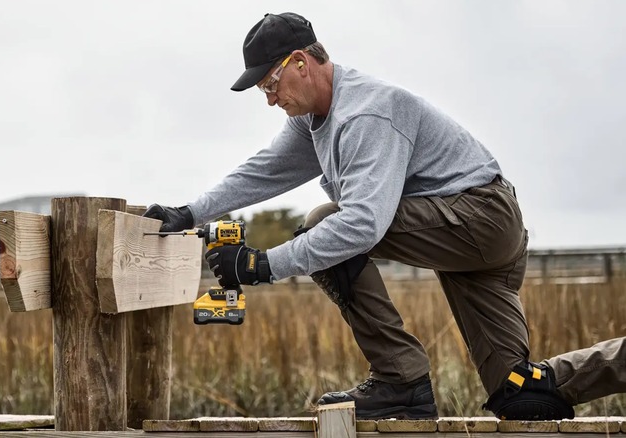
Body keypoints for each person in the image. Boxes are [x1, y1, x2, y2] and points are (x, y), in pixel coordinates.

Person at [143, 12, 625, 420]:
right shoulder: (312, 121)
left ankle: (401, 379)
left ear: (301, 63)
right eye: (263, 92)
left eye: (271, 84)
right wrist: (188, 211)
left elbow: (362, 225)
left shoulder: (366, 114)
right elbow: (262, 172)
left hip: (479, 218)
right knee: (521, 394)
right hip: (467, 236)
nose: (271, 99)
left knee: (326, 224)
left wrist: (259, 265)